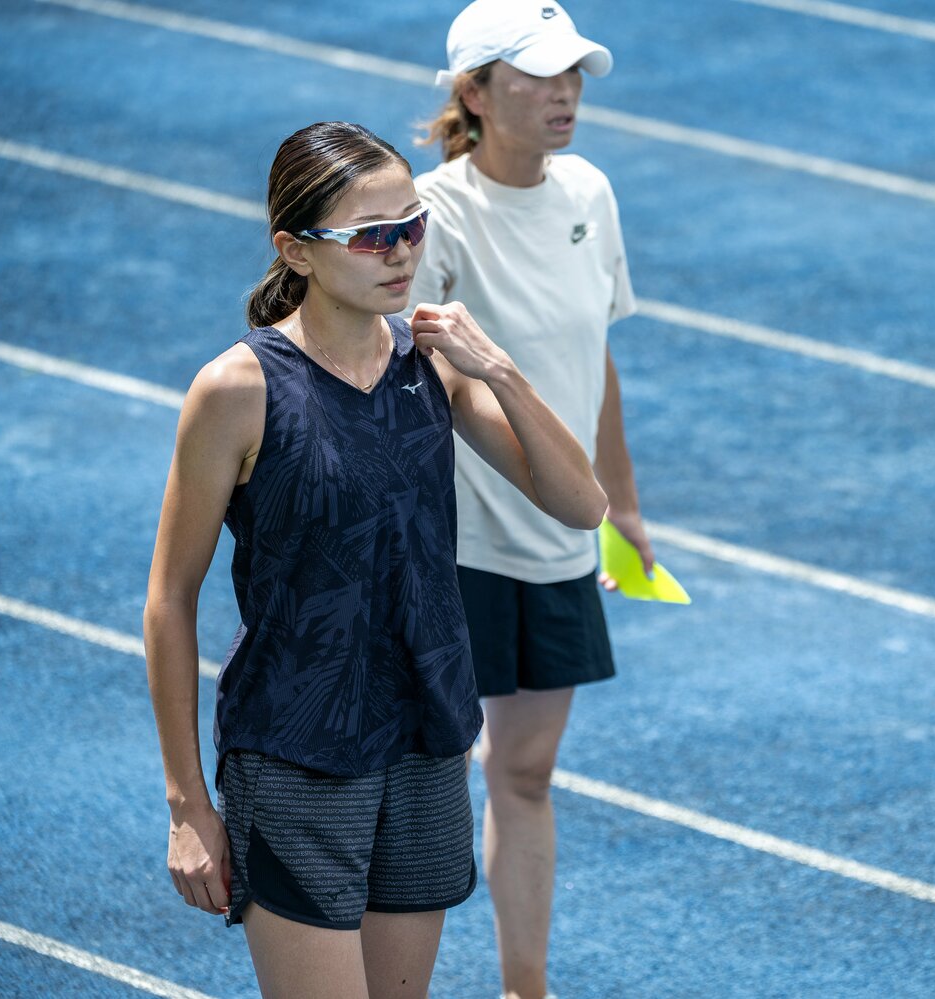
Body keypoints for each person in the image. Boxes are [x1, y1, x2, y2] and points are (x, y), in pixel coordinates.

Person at [143, 120, 607, 999]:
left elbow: (581, 506)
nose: (401, 254)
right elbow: (169, 601)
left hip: (426, 740)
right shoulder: (236, 391)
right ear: (298, 250)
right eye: (372, 235)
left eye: (414, 225)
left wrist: (500, 371)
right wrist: (187, 805)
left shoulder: (434, 363)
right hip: (295, 753)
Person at [410, 4, 652, 996]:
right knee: (420, 780)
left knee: (524, 775)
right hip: (454, 545)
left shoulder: (590, 190)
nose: (566, 95)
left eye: (575, 76)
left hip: (556, 540)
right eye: (541, 78)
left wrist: (622, 504)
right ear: (474, 94)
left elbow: (594, 354)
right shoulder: (430, 216)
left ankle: (525, 988)